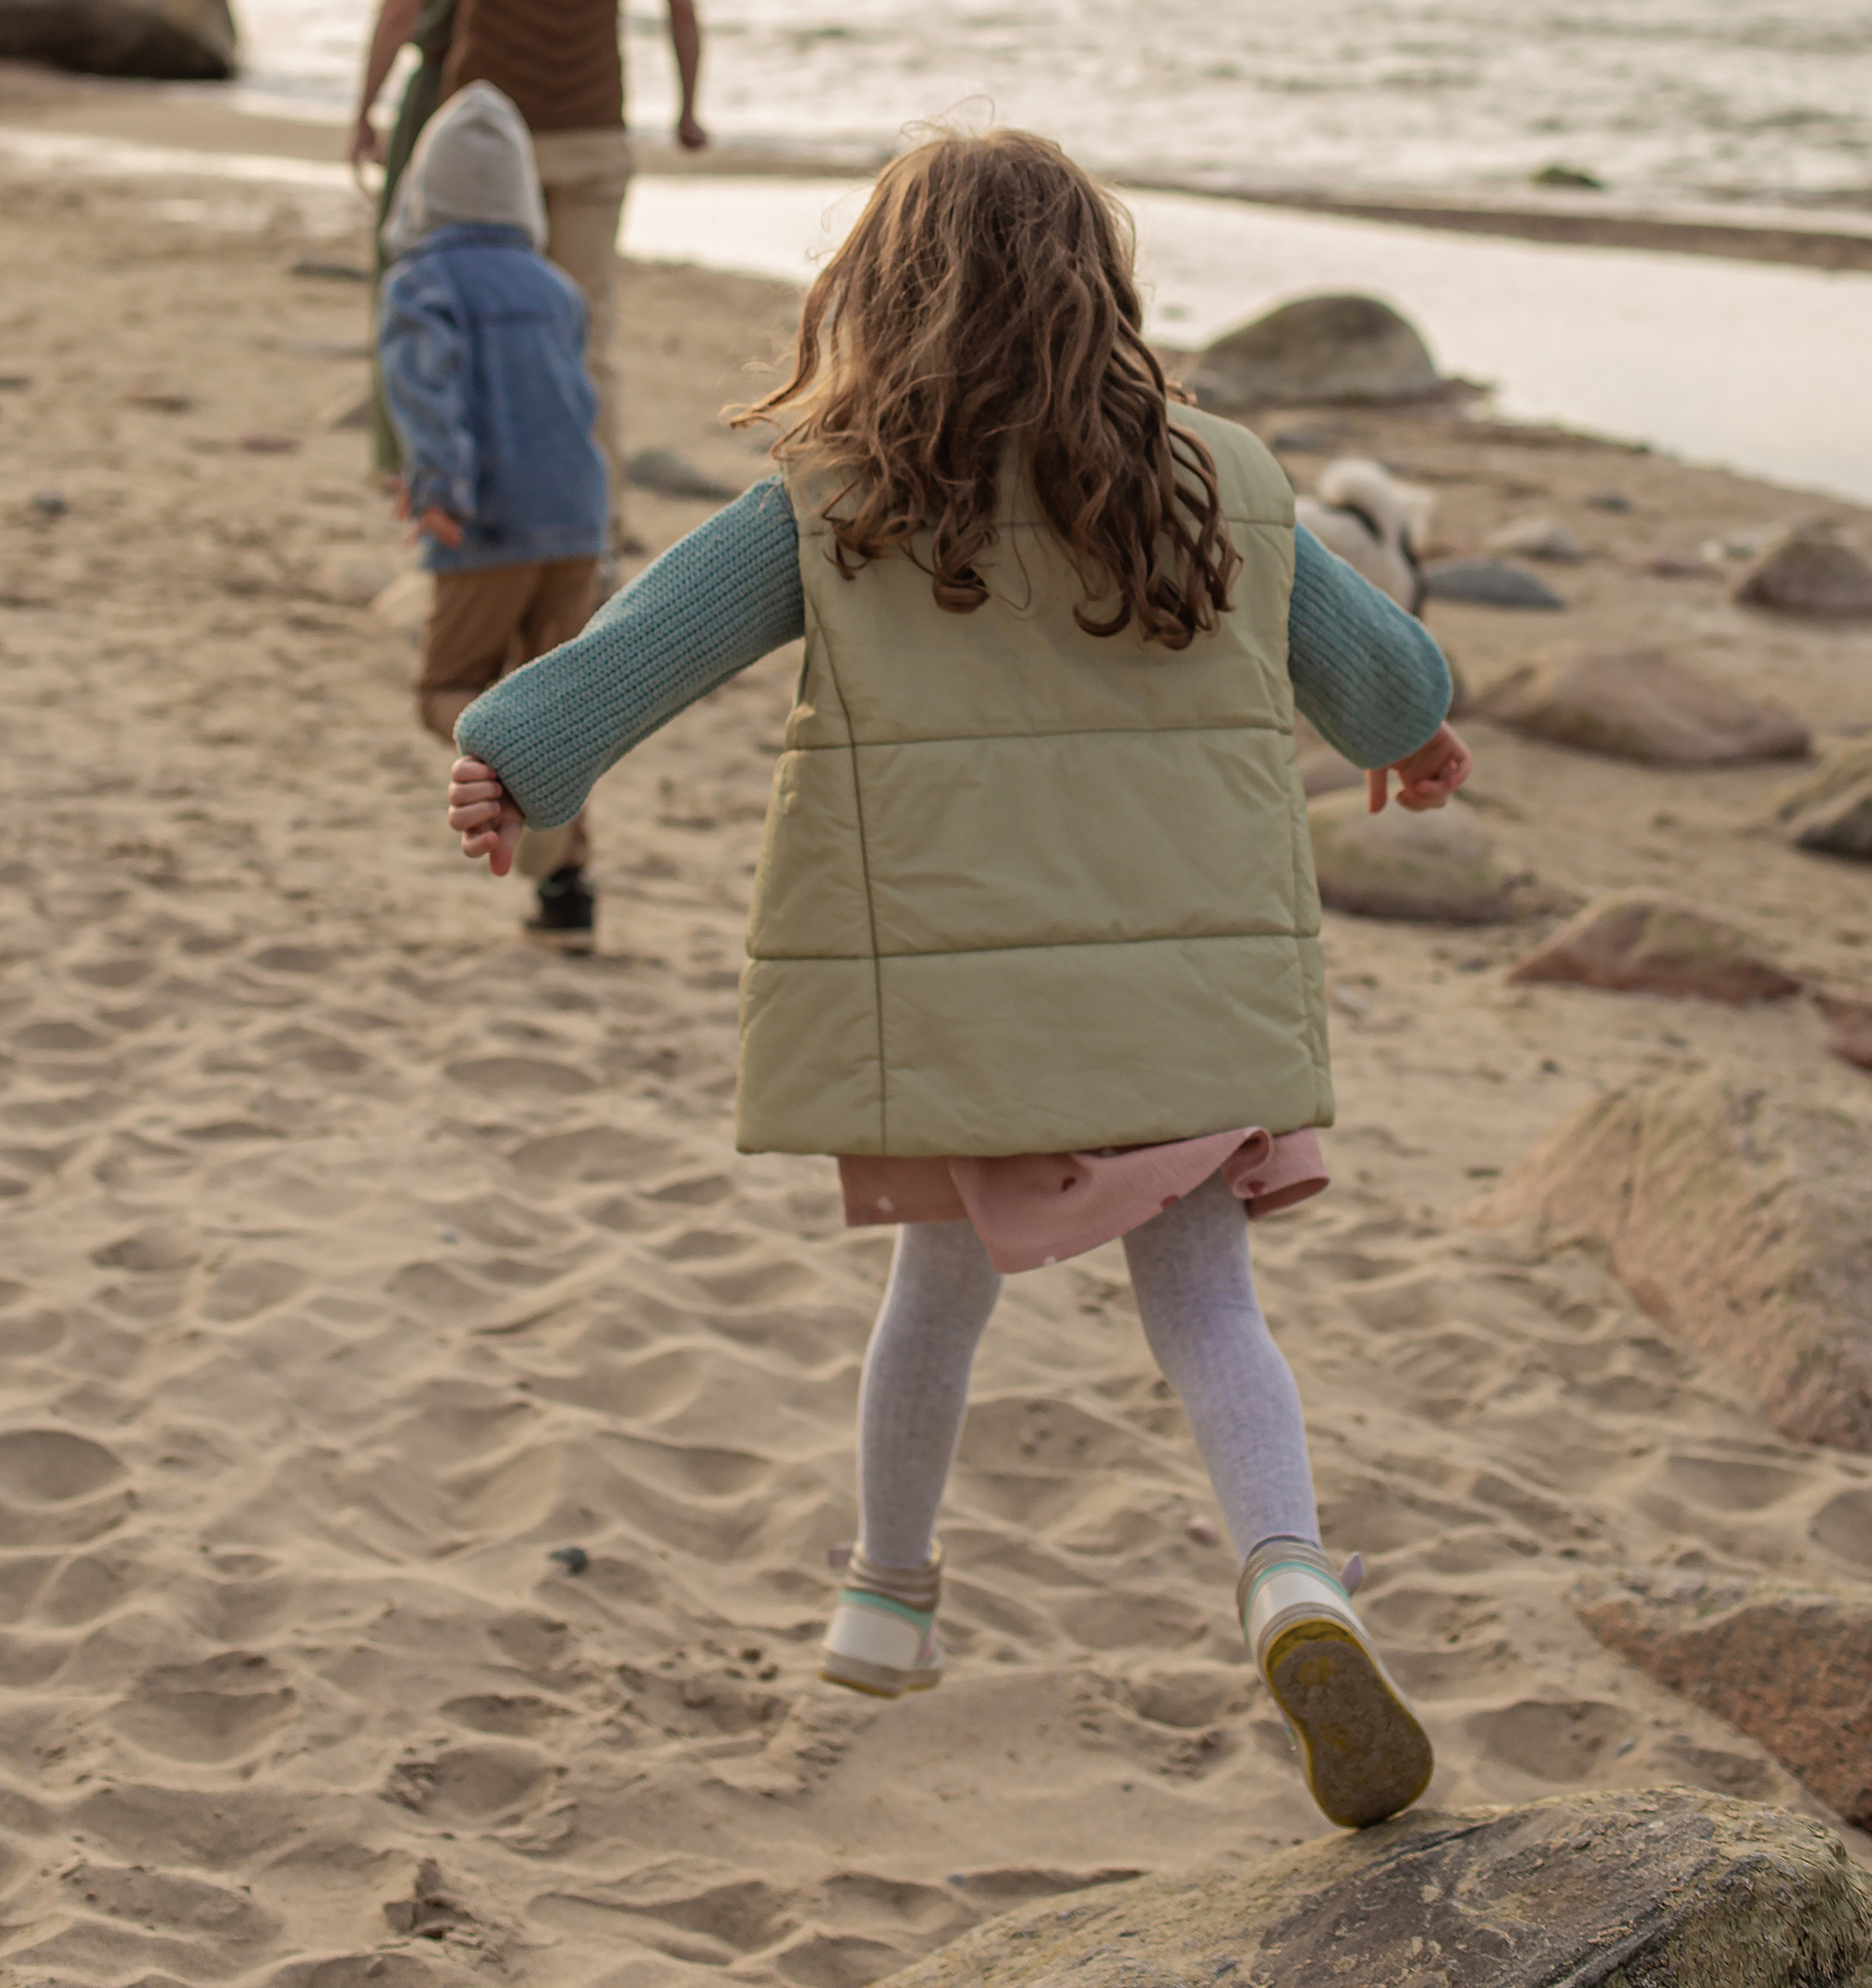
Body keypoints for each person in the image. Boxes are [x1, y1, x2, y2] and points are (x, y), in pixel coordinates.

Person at [443, 128, 1473, 1828]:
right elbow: (1389, 679)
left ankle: (887, 1595)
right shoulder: (1227, 479)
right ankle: (1292, 1580)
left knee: (938, 1291)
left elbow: (628, 660)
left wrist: (512, 758)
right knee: (1211, 1307)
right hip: (1186, 1008)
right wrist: (1418, 742)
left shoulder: (836, 501)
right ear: (1105, 292)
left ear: (883, 295)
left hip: (963, 1007)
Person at [350, 0, 708, 529]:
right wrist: (690, 110)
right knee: (588, 339)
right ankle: (599, 529)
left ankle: (482, 523)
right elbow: (681, 3)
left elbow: (403, 3)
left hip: (486, 145)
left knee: (476, 328)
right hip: (593, 131)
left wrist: (363, 109)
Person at [380, 80, 610, 940]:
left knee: (447, 687)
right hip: (576, 521)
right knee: (557, 711)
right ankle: (567, 889)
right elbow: (576, 401)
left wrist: (438, 488)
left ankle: (516, 785)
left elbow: (425, 392)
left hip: (490, 525)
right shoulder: (556, 288)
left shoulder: (420, 281)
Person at [370, 0, 492, 480]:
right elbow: (417, 20)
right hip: (429, 108)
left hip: (495, 109)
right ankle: (402, 458)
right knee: (402, 277)